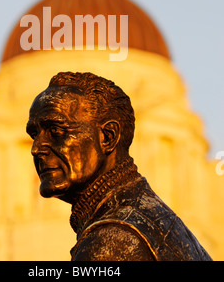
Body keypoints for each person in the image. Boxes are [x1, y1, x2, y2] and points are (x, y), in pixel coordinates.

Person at [26, 71, 212, 261]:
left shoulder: (110, 242)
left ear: (108, 136)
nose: (36, 148)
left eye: (56, 130)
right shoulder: (159, 223)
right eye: (34, 135)